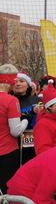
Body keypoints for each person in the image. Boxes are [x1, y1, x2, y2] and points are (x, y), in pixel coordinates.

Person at [0, 64, 28, 193]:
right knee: (8, 190)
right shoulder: (11, 100)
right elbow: (15, 131)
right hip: (7, 152)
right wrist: (25, 121)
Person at [12, 72, 41, 164]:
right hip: (13, 140)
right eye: (15, 82)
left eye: (21, 81)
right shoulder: (9, 100)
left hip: (34, 139)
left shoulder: (37, 100)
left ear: (28, 85)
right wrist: (31, 111)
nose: (18, 84)